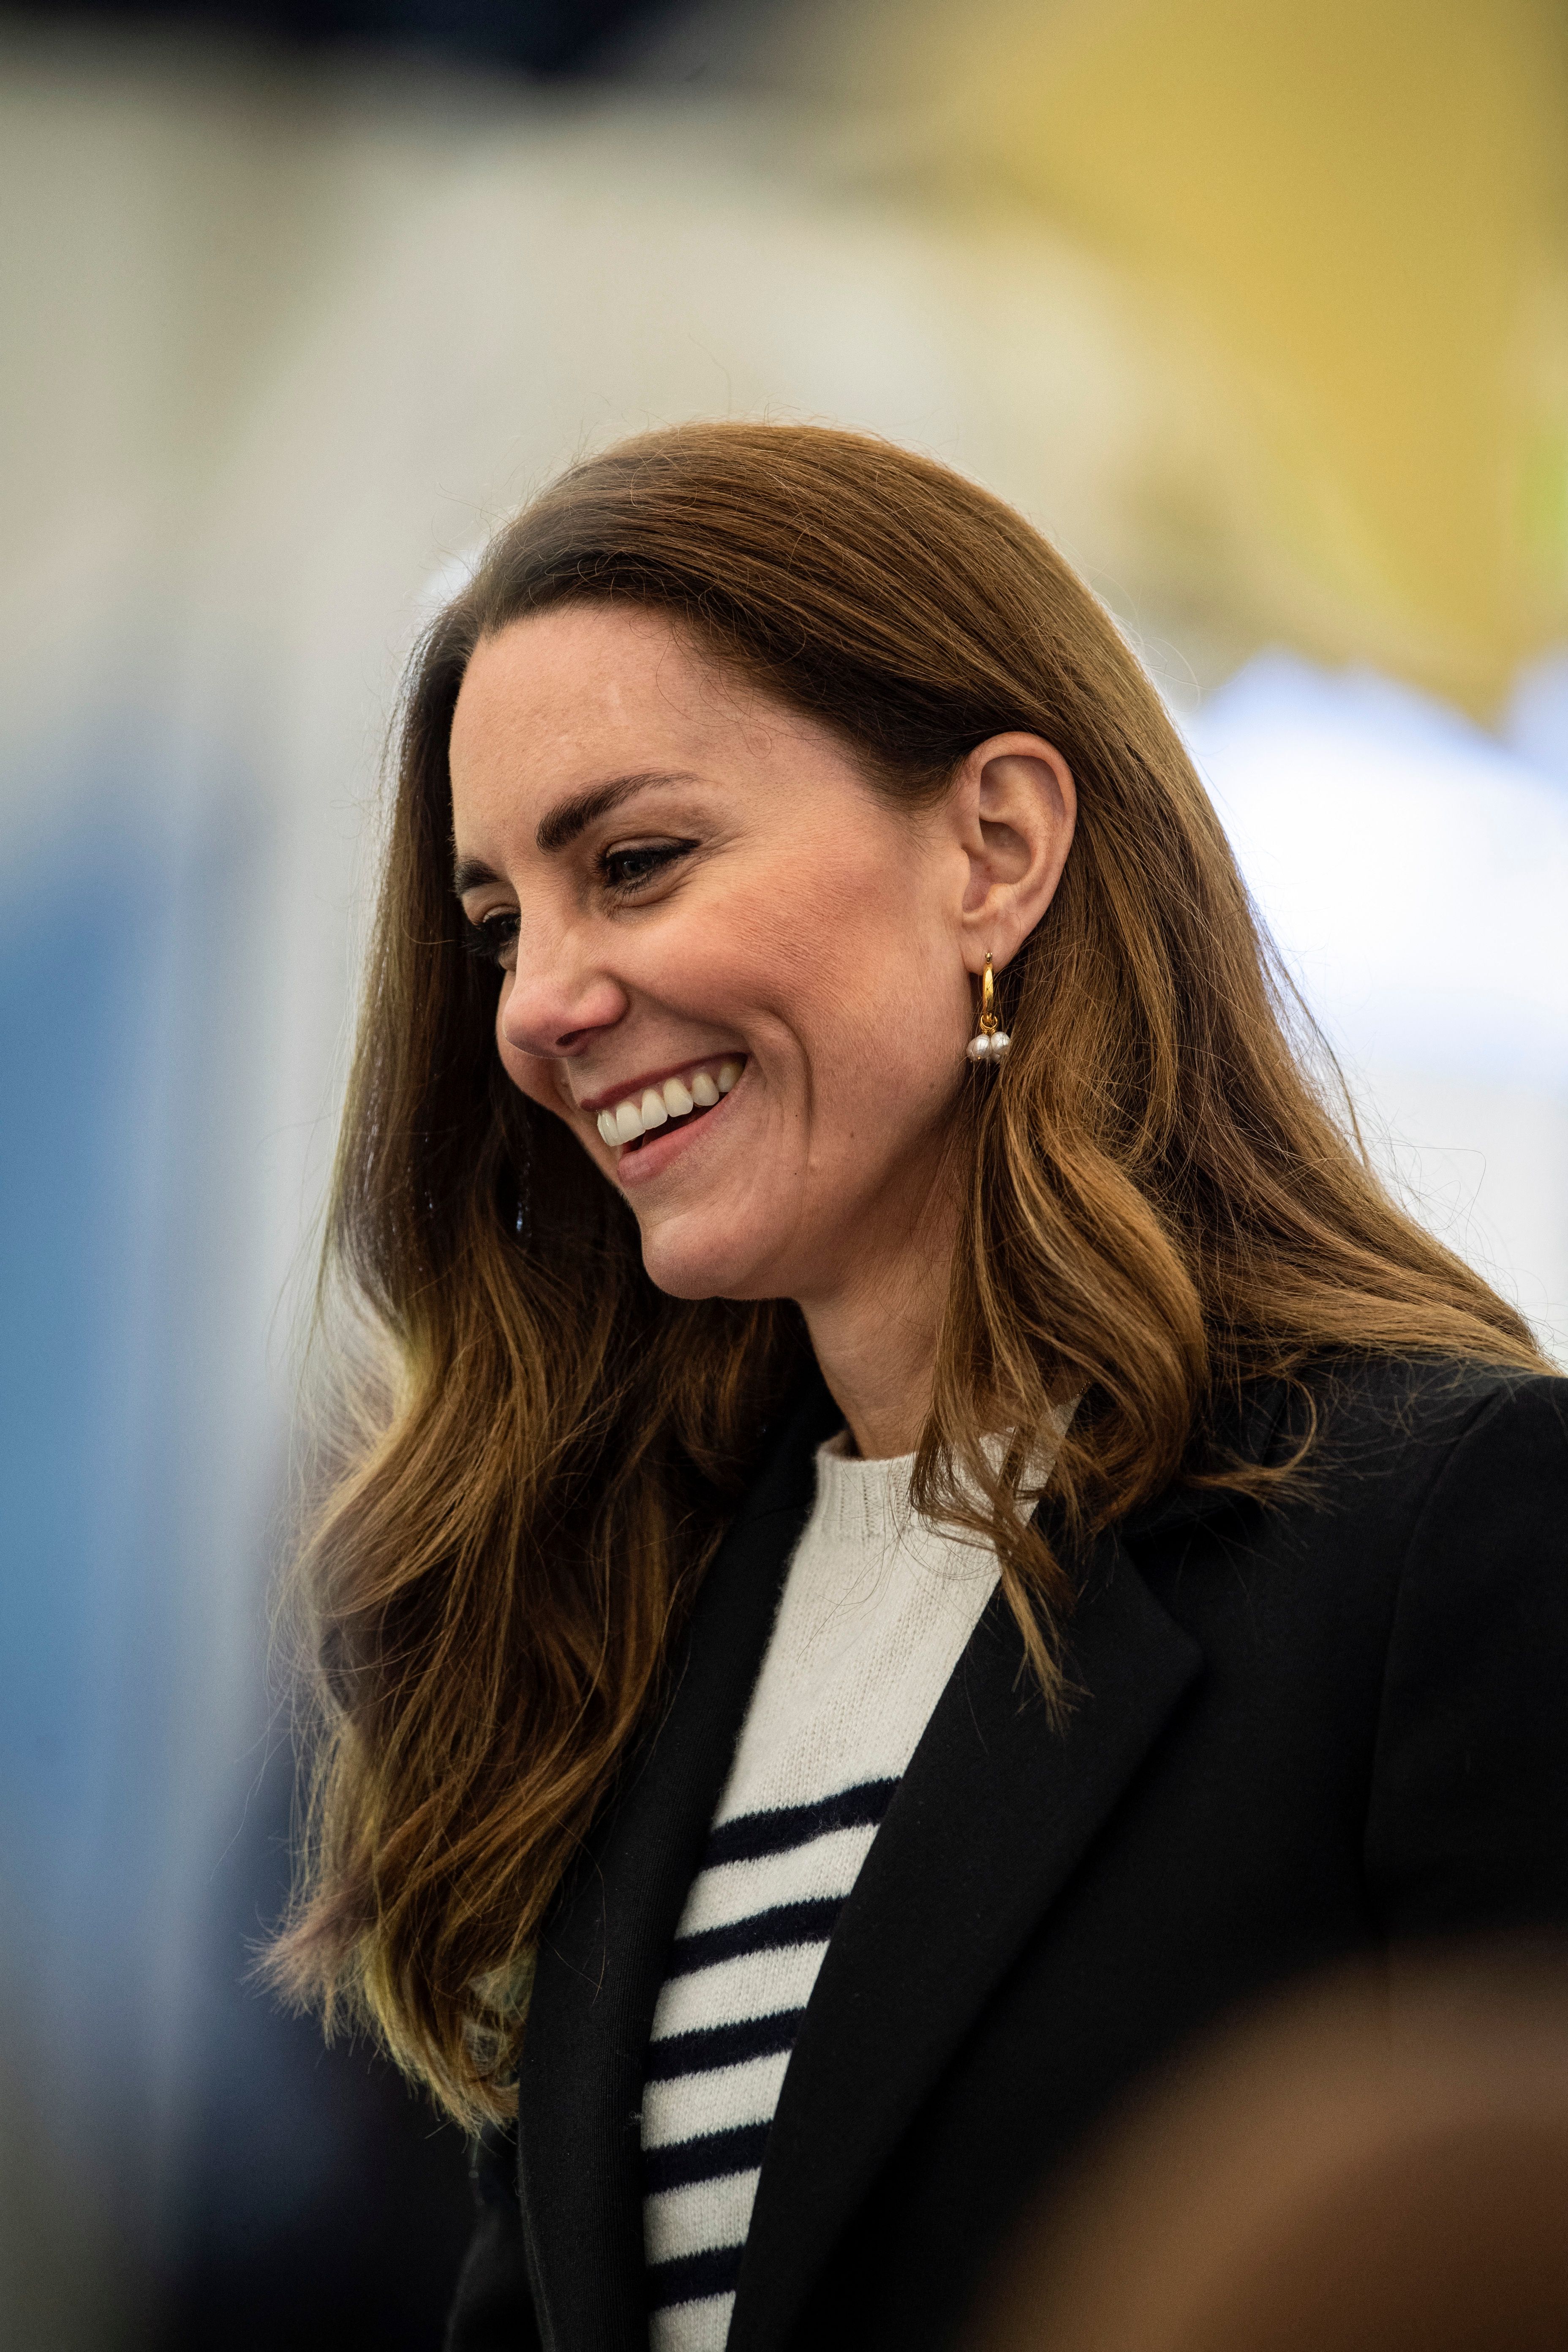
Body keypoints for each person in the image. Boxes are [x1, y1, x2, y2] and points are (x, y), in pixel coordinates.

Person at [268, 422, 1568, 2352]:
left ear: (996, 849)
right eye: (495, 925)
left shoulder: (1452, 1534)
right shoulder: (621, 1627)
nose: (536, 1002)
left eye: (634, 861)